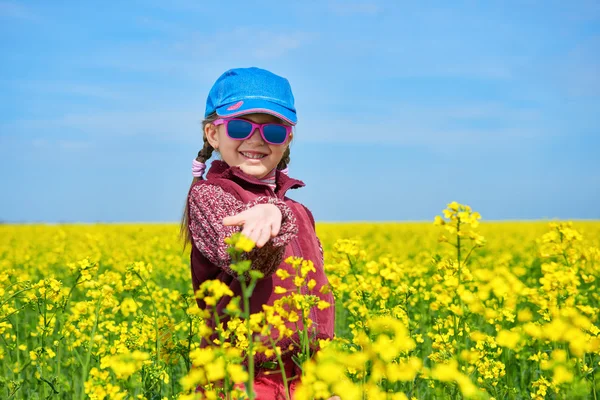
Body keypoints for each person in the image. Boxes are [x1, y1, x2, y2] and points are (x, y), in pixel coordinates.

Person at [180, 67, 337, 400]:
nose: (256, 139)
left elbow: (314, 300)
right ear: (213, 134)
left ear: (288, 139)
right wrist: (273, 213)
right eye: (239, 126)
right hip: (240, 381)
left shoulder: (298, 211)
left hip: (305, 378)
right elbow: (245, 260)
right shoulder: (210, 197)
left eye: (274, 132)